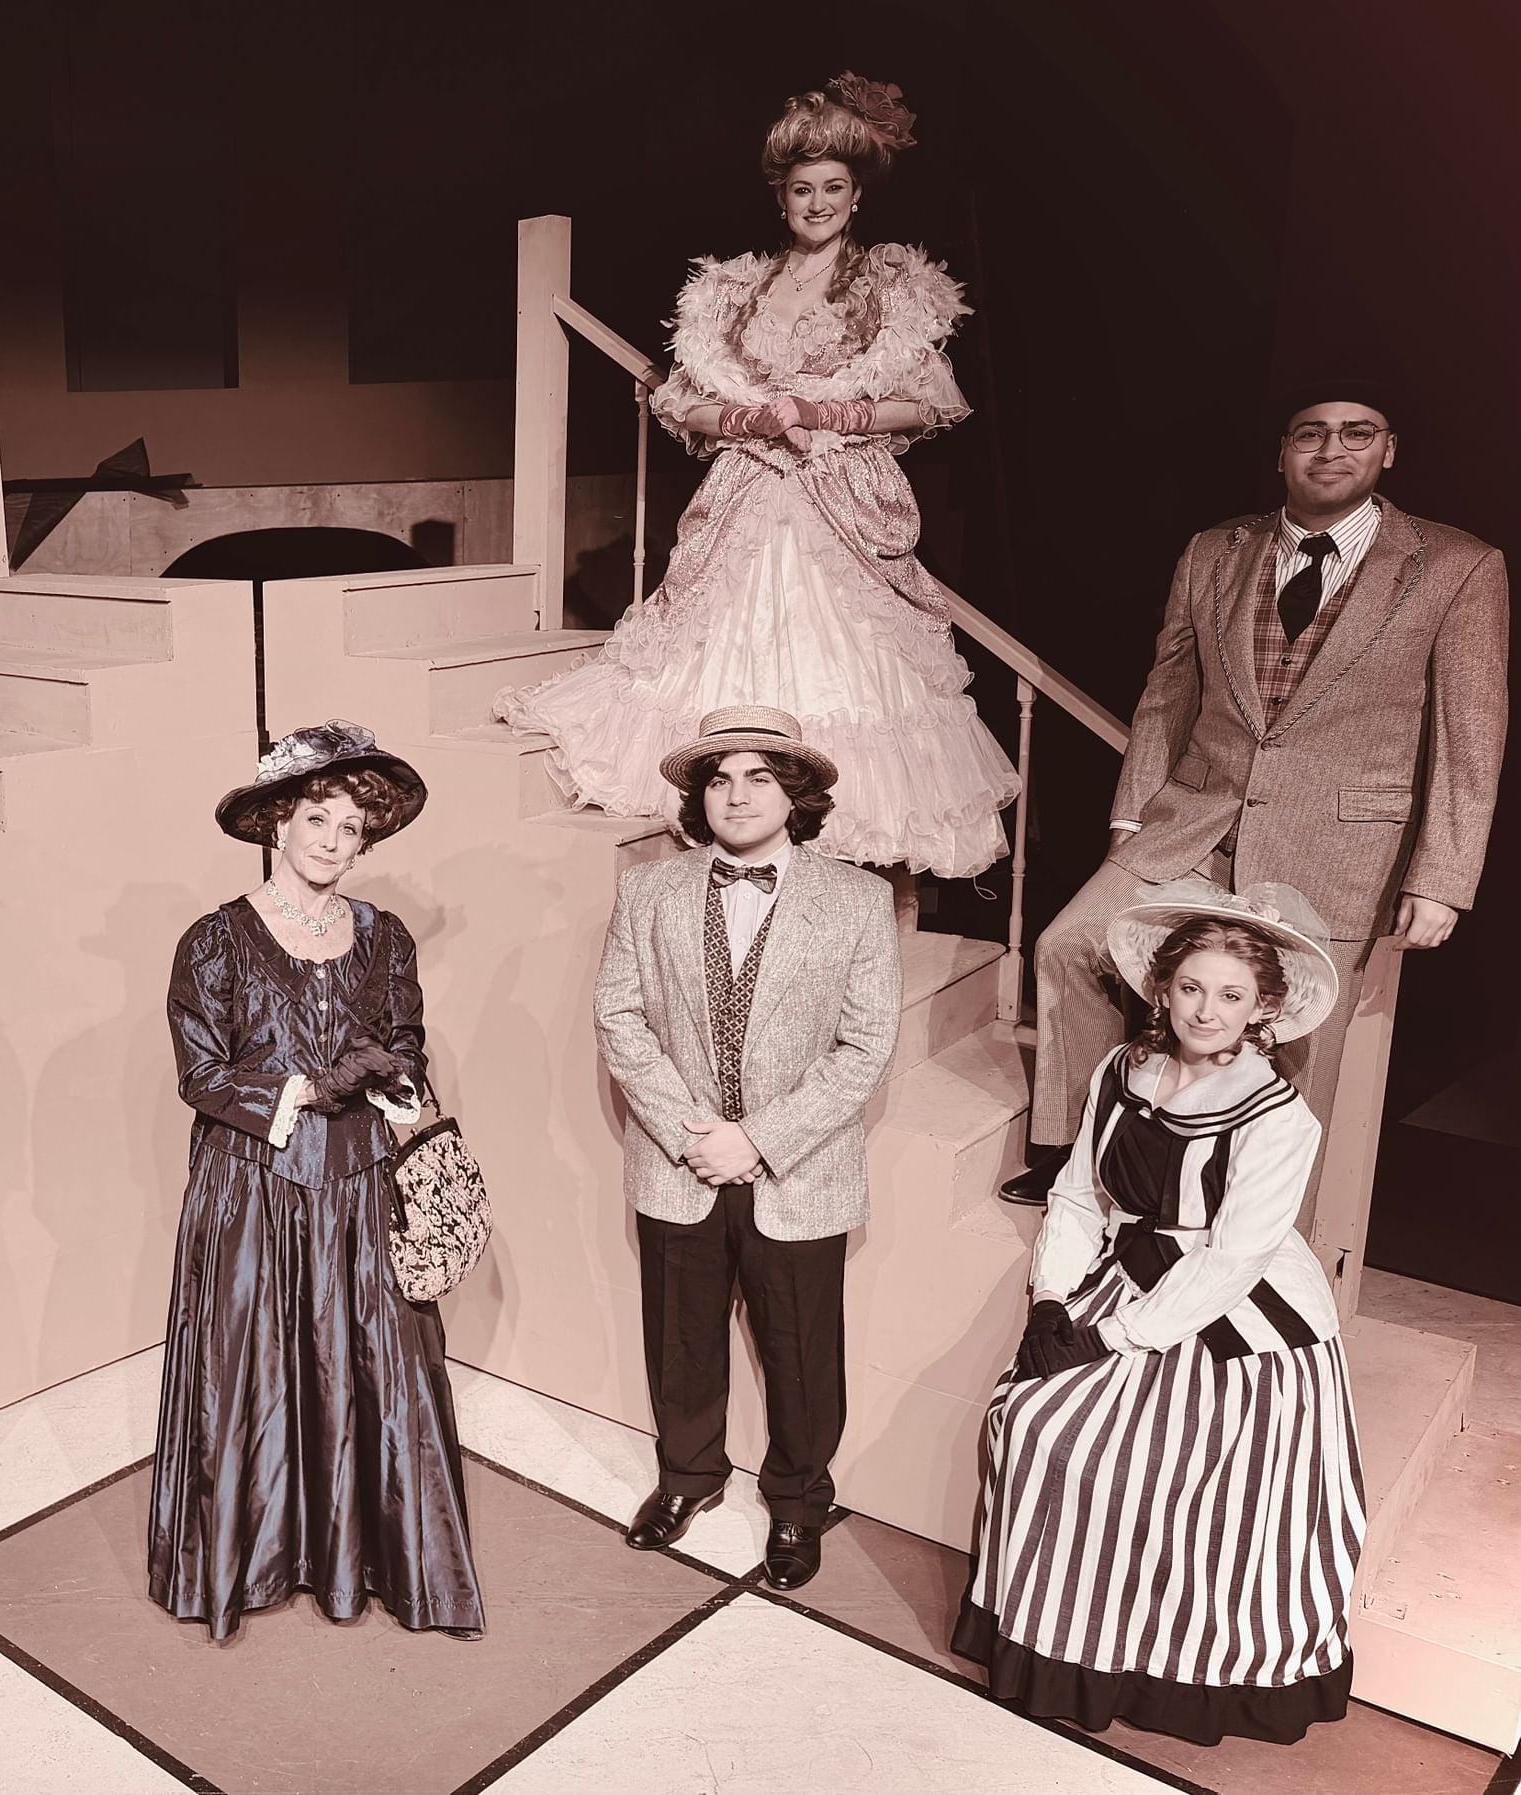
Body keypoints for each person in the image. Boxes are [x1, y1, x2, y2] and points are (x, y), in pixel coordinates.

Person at [499, 72, 1019, 878]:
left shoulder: (890, 288)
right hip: (746, 494)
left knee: (846, 674)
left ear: (857, 196)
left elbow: (927, 403)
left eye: (834, 189)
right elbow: (685, 403)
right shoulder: (734, 289)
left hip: (842, 500)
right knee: (720, 652)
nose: (818, 204)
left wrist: (830, 415)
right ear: (782, 197)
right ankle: (737, 856)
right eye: (803, 189)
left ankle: (834, 876)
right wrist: (747, 418)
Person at [1002, 383, 1508, 1204]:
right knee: (1072, 945)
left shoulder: (1457, 566)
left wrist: (1442, 875)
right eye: (1310, 433)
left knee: (1299, 1040)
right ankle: (1076, 1153)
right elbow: (1167, 691)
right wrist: (1131, 816)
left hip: (1337, 846)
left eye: (1356, 432)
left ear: (1389, 450)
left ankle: (1264, 1234)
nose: (1331, 448)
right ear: (1281, 452)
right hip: (1193, 824)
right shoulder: (1214, 550)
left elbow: (1473, 729)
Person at [958, 882, 1363, 1746]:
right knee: (1025, 1423)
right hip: (1124, 1277)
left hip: (1230, 1319)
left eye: (1229, 995)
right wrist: (1053, 1301)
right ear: (1162, 987)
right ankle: (1052, 1647)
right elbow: (1075, 1197)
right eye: (1191, 987)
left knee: (1149, 1470)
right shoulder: (1120, 1070)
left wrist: (1114, 1334)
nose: (1204, 1009)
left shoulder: (1279, 1114)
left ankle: (1168, 1672)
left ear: (1262, 1010)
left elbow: (1233, 1258)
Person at [151, 720, 485, 1639]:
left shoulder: (386, 936)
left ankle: (364, 1560)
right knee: (251, 1368)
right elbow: (201, 1074)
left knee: (371, 1363)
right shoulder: (214, 940)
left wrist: (395, 1073)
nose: (335, 841)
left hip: (361, 1182)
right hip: (252, 1187)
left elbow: (408, 1037)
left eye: (350, 827)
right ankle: (254, 1559)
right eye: (317, 819)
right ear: (277, 823)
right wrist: (304, 1086)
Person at [596, 706, 902, 1589]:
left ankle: (800, 1502)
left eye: (759, 776)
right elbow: (619, 1019)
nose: (737, 794)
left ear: (794, 794)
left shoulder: (857, 899)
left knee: (803, 1350)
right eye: (719, 778)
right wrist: (694, 1136)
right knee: (681, 1339)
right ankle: (688, 1478)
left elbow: (866, 1045)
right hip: (678, 1160)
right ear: (699, 796)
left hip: (799, 1170)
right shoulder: (646, 891)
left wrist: (759, 1141)